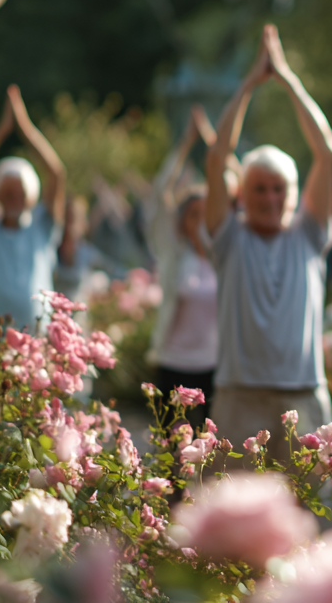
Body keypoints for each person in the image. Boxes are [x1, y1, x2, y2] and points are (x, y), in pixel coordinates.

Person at [203, 24, 332, 465]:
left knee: (308, 520)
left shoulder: (310, 234)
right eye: (259, 189)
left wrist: (286, 78)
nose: (270, 198)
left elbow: (326, 154)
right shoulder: (229, 238)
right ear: (241, 194)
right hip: (239, 397)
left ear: (294, 194)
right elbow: (215, 155)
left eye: (279, 188)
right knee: (234, 523)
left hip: (304, 396)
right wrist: (247, 87)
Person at [0, 85, 67, 338]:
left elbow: (57, 174)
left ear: (31, 197)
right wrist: (1, 131)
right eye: (8, 193)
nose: (15, 199)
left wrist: (24, 128)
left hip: (35, 344)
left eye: (21, 194)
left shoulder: (43, 226)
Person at [146, 105, 223, 431]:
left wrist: (211, 141)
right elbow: (161, 189)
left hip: (214, 367)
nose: (200, 221)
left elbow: (233, 181)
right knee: (170, 455)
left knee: (208, 456)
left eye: (205, 213)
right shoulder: (174, 254)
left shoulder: (224, 255)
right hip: (173, 363)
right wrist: (187, 143)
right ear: (182, 221)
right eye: (193, 214)